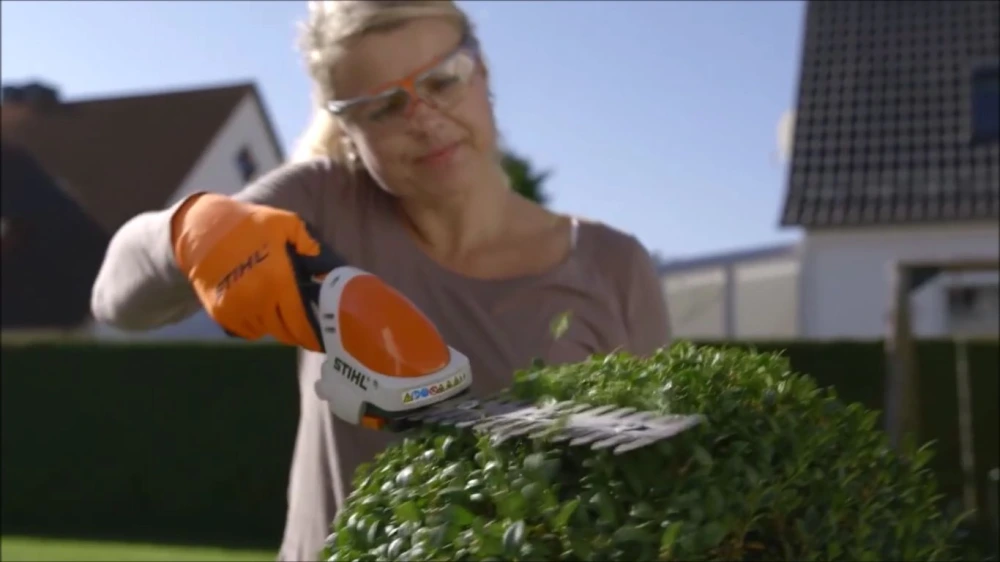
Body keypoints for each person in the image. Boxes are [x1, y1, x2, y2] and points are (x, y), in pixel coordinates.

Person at [89, 1, 671, 559]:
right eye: (383, 106)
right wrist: (195, 229)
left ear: (483, 71)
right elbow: (115, 300)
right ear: (347, 128)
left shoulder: (611, 266)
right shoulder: (319, 205)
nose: (423, 119)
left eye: (443, 81)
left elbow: (658, 490)